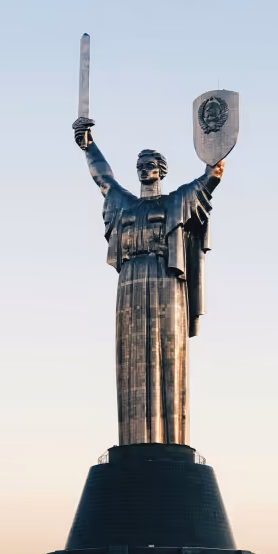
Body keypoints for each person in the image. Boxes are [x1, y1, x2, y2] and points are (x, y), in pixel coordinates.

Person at [73, 116, 224, 445]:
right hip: (130, 283)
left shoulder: (176, 201)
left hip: (166, 280)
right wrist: (89, 145)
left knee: (167, 353)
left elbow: (208, 180)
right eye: (140, 164)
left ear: (162, 169)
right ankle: (134, 442)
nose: (144, 169)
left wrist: (217, 151)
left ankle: (169, 442)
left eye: (151, 164)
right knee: (131, 357)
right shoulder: (124, 204)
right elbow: (103, 178)